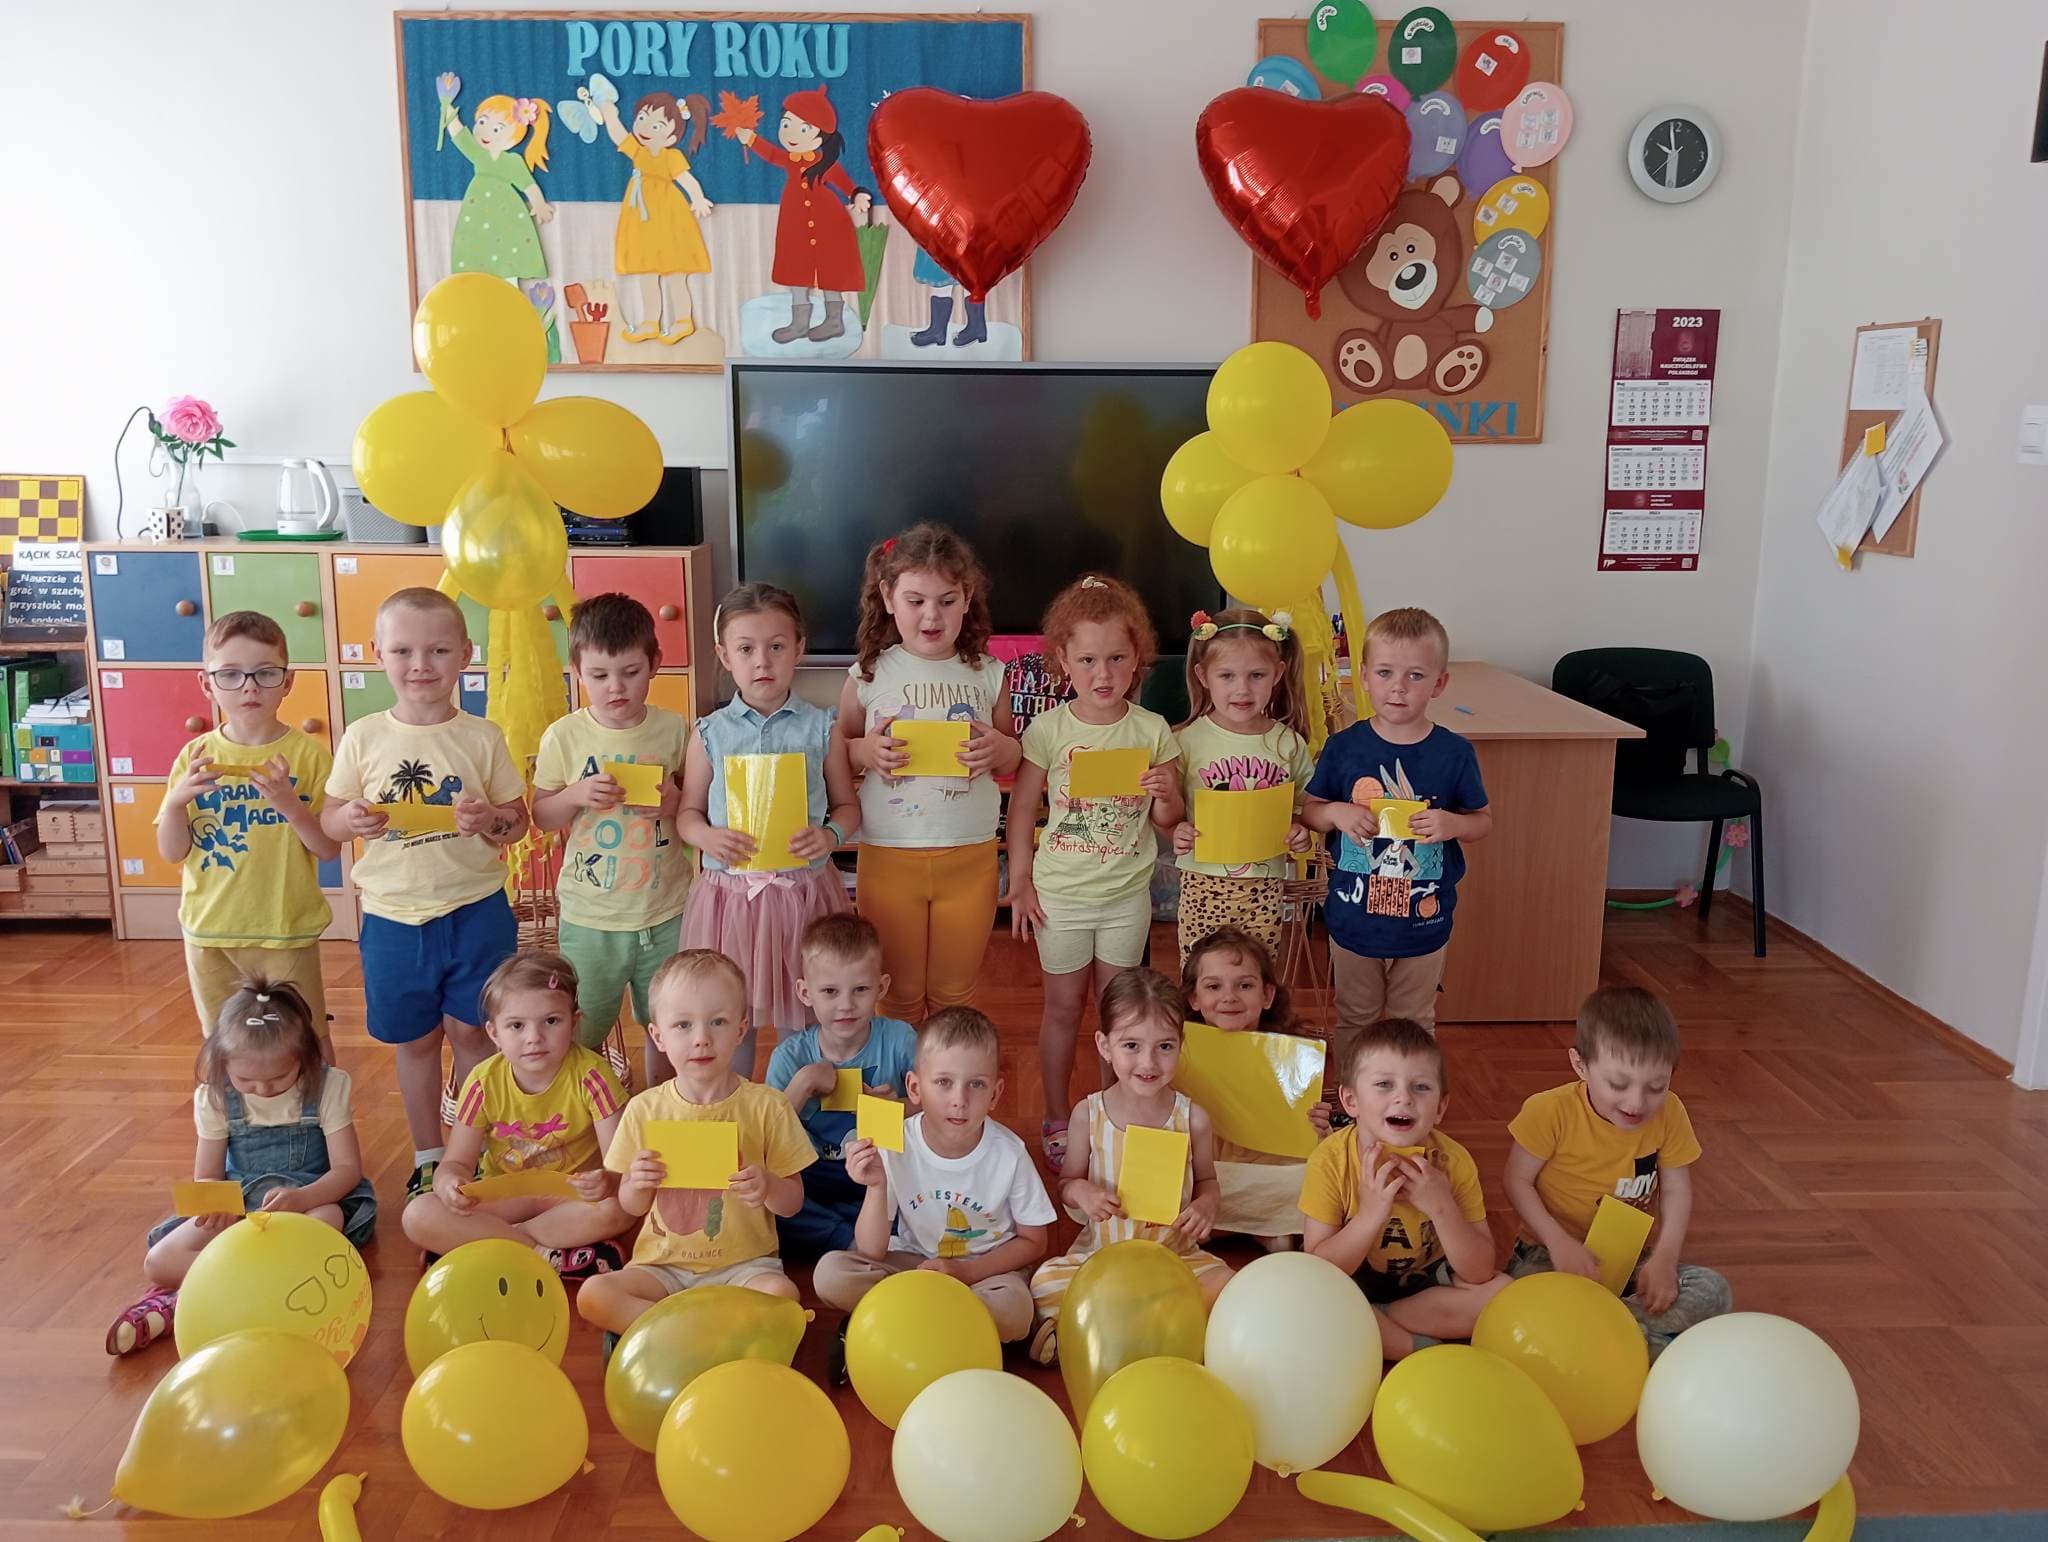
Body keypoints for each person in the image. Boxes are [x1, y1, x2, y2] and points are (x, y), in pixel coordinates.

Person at [322, 588, 528, 1198]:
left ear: (466, 654)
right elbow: (330, 821)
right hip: (392, 917)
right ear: (377, 654)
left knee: (473, 1033)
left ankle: (473, 1152)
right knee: (415, 1040)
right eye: (403, 651)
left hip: (476, 909)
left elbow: (517, 822)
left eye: (438, 650)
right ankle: (429, 1154)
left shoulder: (482, 736)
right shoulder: (363, 737)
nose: (421, 665)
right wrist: (349, 819)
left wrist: (489, 818)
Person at [1007, 574, 1183, 1163]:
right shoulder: (1050, 730)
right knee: (1063, 1010)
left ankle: (1116, 1116)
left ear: (1138, 659)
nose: (1102, 673)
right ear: (1063, 660)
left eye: (1116, 658)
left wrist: (1166, 795)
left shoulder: (1152, 730)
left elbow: (1168, 820)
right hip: (1061, 897)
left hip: (1126, 898)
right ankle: (1058, 1115)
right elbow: (1022, 809)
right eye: (1087, 660)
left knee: (1120, 1016)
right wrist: (1020, 882)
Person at [109, 980, 375, 1354]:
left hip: (309, 1202)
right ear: (223, 1063)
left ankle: (187, 1300)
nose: (263, 1089)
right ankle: (261, 1292)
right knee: (158, 1261)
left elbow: (347, 1170)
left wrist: (303, 1198)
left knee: (329, 1218)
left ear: (305, 1058)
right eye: (246, 1080)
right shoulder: (215, 1097)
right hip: (239, 1207)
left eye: (279, 1078)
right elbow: (207, 1175)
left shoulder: (327, 1087)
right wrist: (215, 1203)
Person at [836, 525, 1020, 1021]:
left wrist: (999, 748)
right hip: (890, 857)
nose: (932, 615)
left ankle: (948, 1072)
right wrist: (866, 751)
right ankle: (900, 1072)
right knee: (896, 995)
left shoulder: (989, 673)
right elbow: (840, 753)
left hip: (970, 858)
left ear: (968, 598)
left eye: (947, 600)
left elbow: (1013, 758)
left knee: (954, 994)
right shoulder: (868, 674)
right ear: (888, 597)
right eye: (916, 601)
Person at [579, 951, 815, 1337]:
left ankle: (670, 1335)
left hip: (745, 1268)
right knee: (594, 1293)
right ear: (658, 1036)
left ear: (741, 1030)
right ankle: (704, 1337)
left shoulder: (768, 1106)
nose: (701, 1038)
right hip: (661, 1268)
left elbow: (792, 1203)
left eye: (717, 1022)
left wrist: (768, 1185)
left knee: (782, 1295)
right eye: (683, 1025)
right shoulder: (644, 1109)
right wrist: (637, 1183)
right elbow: (630, 1206)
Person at [676, 583, 859, 1079]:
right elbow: (687, 814)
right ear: (724, 656)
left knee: (809, 1011)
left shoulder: (822, 728)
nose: (762, 661)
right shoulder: (710, 733)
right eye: (746, 649)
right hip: (731, 901)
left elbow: (848, 807)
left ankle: (800, 1107)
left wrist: (830, 836)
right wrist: (707, 837)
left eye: (777, 646)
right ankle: (732, 1104)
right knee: (729, 1011)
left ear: (799, 648)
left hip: (804, 896)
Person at [1503, 986, 1732, 1354]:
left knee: (1714, 1290)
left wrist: (1665, 1257)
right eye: (1618, 1084)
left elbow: (1677, 1189)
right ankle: (1634, 1343)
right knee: (1530, 1306)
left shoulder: (1671, 1113)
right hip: (1548, 1253)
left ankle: (1609, 1338)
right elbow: (1516, 1181)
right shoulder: (1549, 1111)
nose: (1636, 1102)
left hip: (1629, 1257)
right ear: (1580, 1065)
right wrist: (1558, 1241)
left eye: (1656, 1086)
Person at [819, 1007, 1053, 1364]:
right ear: (915, 1088)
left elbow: (1035, 1241)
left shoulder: (1010, 1154)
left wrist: (966, 1272)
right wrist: (876, 1187)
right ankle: (951, 1334)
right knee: (831, 1275)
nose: (959, 1099)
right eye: (943, 1082)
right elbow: (871, 1250)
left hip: (984, 1273)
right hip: (916, 1266)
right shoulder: (895, 1141)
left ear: (995, 1093)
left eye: (976, 1084)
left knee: (1015, 1309)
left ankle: (893, 1328)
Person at [157, 610, 341, 1054]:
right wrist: (176, 803)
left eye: (265, 673)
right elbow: (172, 851)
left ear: (288, 681)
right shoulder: (194, 756)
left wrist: (290, 805)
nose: (249, 687)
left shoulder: (310, 757)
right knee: (224, 1042)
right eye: (230, 674)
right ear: (207, 684)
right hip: (210, 929)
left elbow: (328, 848)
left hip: (286, 927)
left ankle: (321, 1100)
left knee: (307, 1038)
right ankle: (230, 1104)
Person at [1301, 607, 1491, 1033]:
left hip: (1424, 920)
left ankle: (1409, 1082)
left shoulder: (1454, 753)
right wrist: (1335, 812)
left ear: (1439, 684)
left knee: (1414, 1021)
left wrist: (1453, 825)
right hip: (1353, 918)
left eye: (1415, 676)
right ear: (1364, 676)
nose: (1398, 688)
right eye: (1385, 672)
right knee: (1355, 1018)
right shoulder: (1343, 747)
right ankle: (1356, 1082)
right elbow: (1311, 811)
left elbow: (1482, 821)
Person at [1028, 970, 1231, 1364]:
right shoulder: (1088, 1114)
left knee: (1229, 1285)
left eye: (1165, 1046)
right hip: (1103, 1258)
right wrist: (1083, 1192)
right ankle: (1157, 1330)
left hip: (1175, 1257)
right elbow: (1066, 1183)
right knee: (1044, 1282)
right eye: (1131, 1045)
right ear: (1104, 1046)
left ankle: (1116, 1331)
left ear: (1181, 1044)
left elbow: (1208, 1181)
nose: (1148, 1062)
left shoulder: (1193, 1118)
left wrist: (1206, 1204)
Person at [532, 593, 692, 1089]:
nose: (615, 687)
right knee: (583, 1028)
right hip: (591, 919)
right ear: (577, 671)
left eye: (630, 672)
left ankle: (664, 1108)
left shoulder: (673, 729)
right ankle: (586, 1113)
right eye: (599, 675)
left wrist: (672, 802)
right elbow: (541, 814)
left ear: (655, 665)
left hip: (665, 911)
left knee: (670, 1026)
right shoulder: (564, 736)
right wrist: (575, 794)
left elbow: (694, 802)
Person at [401, 952, 632, 1279]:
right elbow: (456, 1163)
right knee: (418, 1214)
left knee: (621, 1207)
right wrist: (449, 1183)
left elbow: (619, 1165)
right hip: (505, 1195)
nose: (534, 1037)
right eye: (517, 1025)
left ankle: (486, 1243)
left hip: (571, 1198)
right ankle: (545, 1255)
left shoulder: (593, 1076)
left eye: (551, 1021)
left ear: (574, 1022)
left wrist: (607, 1181)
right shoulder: (482, 1082)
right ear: (494, 1033)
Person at [1300, 1017, 1505, 1359]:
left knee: (1501, 1293)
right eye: (1384, 1084)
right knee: (1308, 1293)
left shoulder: (1454, 1161)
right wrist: (1369, 1215)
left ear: (1440, 1108)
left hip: (1425, 1287)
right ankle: (1413, 1346)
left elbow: (1480, 1270)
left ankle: (1378, 1323)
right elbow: (1320, 1271)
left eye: (1421, 1087)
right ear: (1351, 1101)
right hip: (1350, 1282)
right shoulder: (1329, 1161)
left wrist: (1442, 1208)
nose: (1404, 1098)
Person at [766, 913, 919, 1260]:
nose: (846, 1005)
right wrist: (803, 1082)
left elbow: (933, 1107)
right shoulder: (790, 1056)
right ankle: (857, 1241)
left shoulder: (900, 1039)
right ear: (806, 993)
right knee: (773, 1202)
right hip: (814, 1174)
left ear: (881, 987)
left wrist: (897, 1107)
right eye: (830, 992)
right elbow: (767, 1135)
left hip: (880, 1170)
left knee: (923, 1197)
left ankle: (851, 1238)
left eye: (860, 990)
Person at [1170, 607, 1315, 967]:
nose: (1242, 689)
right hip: (1203, 884)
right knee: (1201, 975)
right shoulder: (1185, 741)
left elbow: (1304, 806)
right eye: (1227, 676)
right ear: (1203, 675)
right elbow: (1168, 814)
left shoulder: (1288, 744)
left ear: (1277, 673)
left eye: (1256, 675)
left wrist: (1300, 830)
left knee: (1256, 974)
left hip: (1264, 890)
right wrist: (1175, 830)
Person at [1183, 926, 1331, 1248]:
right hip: (1207, 1169)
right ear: (1194, 998)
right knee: (1172, 1176)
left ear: (1267, 996)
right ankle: (1256, 1223)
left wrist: (1318, 1127)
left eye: (1245, 985)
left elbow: (1305, 1143)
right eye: (1213, 986)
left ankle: (1238, 1224)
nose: (1229, 997)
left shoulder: (1293, 1055)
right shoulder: (1178, 1051)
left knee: (1322, 1172)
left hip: (1268, 1171)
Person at [733, 85, 864, 344]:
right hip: (795, 222)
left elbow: (844, 182)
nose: (790, 134)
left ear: (822, 135)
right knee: (796, 268)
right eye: (786, 125)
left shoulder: (825, 164)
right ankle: (799, 324)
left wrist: (856, 194)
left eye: (803, 129)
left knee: (830, 269)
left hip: (828, 222)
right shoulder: (790, 160)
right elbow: (772, 154)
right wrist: (751, 139)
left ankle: (834, 321)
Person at [592, 90, 715, 344]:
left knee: (675, 272)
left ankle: (683, 321)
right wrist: (610, 115)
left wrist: (698, 198)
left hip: (668, 217)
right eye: (641, 119)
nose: (645, 128)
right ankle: (650, 322)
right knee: (646, 272)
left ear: (672, 135)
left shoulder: (672, 156)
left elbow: (686, 179)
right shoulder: (639, 153)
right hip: (642, 219)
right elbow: (619, 135)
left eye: (656, 125)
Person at [442, 91, 555, 286]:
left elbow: (528, 185)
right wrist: (446, 104)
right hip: (478, 213)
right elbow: (459, 134)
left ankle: (510, 294)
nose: (485, 132)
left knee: (507, 257)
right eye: (482, 122)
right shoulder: (479, 154)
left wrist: (539, 205)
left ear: (513, 139)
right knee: (478, 255)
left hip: (506, 214)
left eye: (497, 129)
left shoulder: (513, 161)